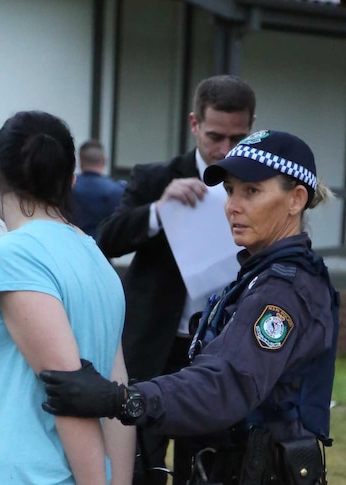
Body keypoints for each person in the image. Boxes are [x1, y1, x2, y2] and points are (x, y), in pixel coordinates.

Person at [41, 130, 338, 485]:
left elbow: (225, 385)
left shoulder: (283, 290)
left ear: (296, 200)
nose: (233, 205)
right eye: (230, 191)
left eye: (252, 191)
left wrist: (122, 400)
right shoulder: (258, 275)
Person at [96, 75, 256, 484]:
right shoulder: (155, 177)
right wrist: (158, 210)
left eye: (238, 138)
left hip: (218, 348)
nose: (225, 150)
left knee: (207, 464)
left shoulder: (261, 186)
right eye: (216, 136)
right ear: (194, 125)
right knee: (140, 462)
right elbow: (107, 240)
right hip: (153, 344)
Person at [0, 111, 134, 484]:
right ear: (70, 181)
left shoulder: (16, 255)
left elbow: (68, 392)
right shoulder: (97, 259)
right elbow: (115, 391)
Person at [72, 139, 125, 237]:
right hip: (104, 248)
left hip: (74, 244)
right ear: (105, 160)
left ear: (80, 161)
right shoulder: (117, 190)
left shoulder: (68, 187)